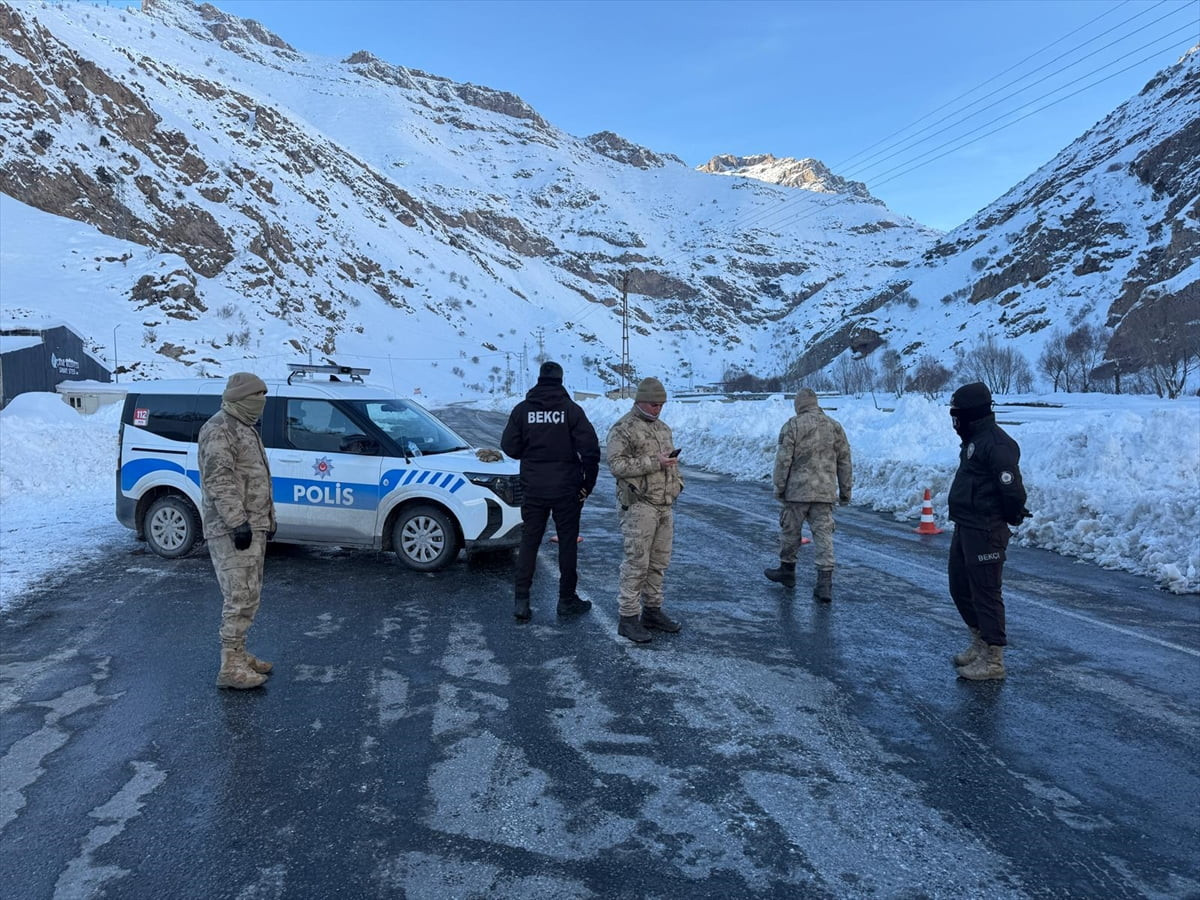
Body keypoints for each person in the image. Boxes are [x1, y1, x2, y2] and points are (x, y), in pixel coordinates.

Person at [501, 361, 601, 621]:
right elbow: (590, 450)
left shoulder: (523, 411)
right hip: (567, 489)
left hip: (533, 488)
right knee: (567, 545)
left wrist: (531, 453)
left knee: (530, 542)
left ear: (539, 380)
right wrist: (587, 484)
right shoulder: (571, 411)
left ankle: (521, 601)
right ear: (560, 380)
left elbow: (509, 447)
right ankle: (566, 600)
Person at [946, 381, 1030, 681]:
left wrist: (1006, 517)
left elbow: (1012, 491)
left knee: (985, 592)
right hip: (966, 525)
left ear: (973, 415)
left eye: (958, 416)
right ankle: (979, 642)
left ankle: (993, 659)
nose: (955, 422)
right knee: (960, 587)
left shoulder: (996, 444)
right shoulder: (975, 440)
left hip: (985, 528)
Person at [198, 372, 277, 690]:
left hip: (252, 524)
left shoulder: (243, 427)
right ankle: (229, 665)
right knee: (238, 596)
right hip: (231, 529)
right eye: (257, 396)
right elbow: (219, 479)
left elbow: (256, 479)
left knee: (250, 596)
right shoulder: (219, 428)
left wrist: (266, 520)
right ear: (241, 398)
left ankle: (239, 654)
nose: (262, 402)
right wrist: (237, 522)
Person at [606, 376, 684, 643]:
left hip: (664, 504)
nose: (657, 409)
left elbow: (670, 461)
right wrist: (655, 462)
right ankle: (628, 618)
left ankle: (652, 611)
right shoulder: (623, 429)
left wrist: (677, 484)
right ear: (639, 401)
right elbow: (616, 466)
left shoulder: (663, 428)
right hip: (639, 505)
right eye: (653, 404)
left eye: (661, 405)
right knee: (637, 562)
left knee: (659, 562)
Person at [764, 388, 853, 601]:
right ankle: (824, 583)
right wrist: (845, 491)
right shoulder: (834, 426)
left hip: (797, 493)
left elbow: (783, 460)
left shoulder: (793, 426)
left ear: (799, 405)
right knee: (823, 535)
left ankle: (788, 571)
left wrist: (779, 487)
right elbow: (844, 461)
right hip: (824, 492)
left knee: (790, 533)